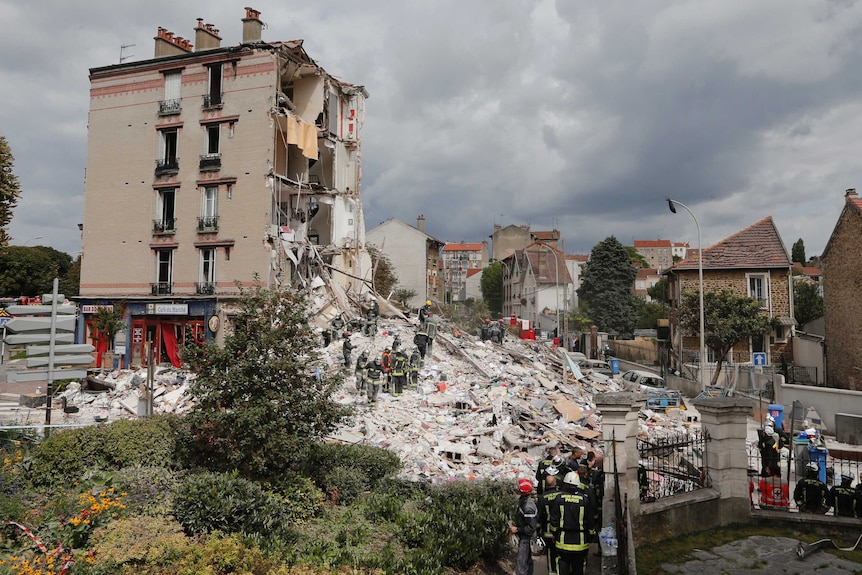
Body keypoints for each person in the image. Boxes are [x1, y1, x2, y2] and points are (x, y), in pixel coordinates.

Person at [550, 472, 595, 575]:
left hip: (563, 541)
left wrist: (554, 533)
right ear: (578, 484)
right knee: (579, 567)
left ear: (565, 484)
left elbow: (554, 520)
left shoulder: (559, 499)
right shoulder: (584, 500)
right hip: (581, 542)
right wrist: (591, 535)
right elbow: (591, 520)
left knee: (562, 566)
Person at [510, 478, 537, 575]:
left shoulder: (528, 507)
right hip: (525, 538)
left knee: (522, 563)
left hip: (526, 539)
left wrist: (517, 529)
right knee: (527, 562)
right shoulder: (524, 502)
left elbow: (531, 528)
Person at [537, 470, 562, 575]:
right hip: (560, 530)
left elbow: (539, 517)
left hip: (547, 531)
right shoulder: (561, 495)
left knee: (550, 554)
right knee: (561, 553)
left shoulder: (542, 498)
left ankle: (552, 572)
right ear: (555, 483)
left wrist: (538, 532)